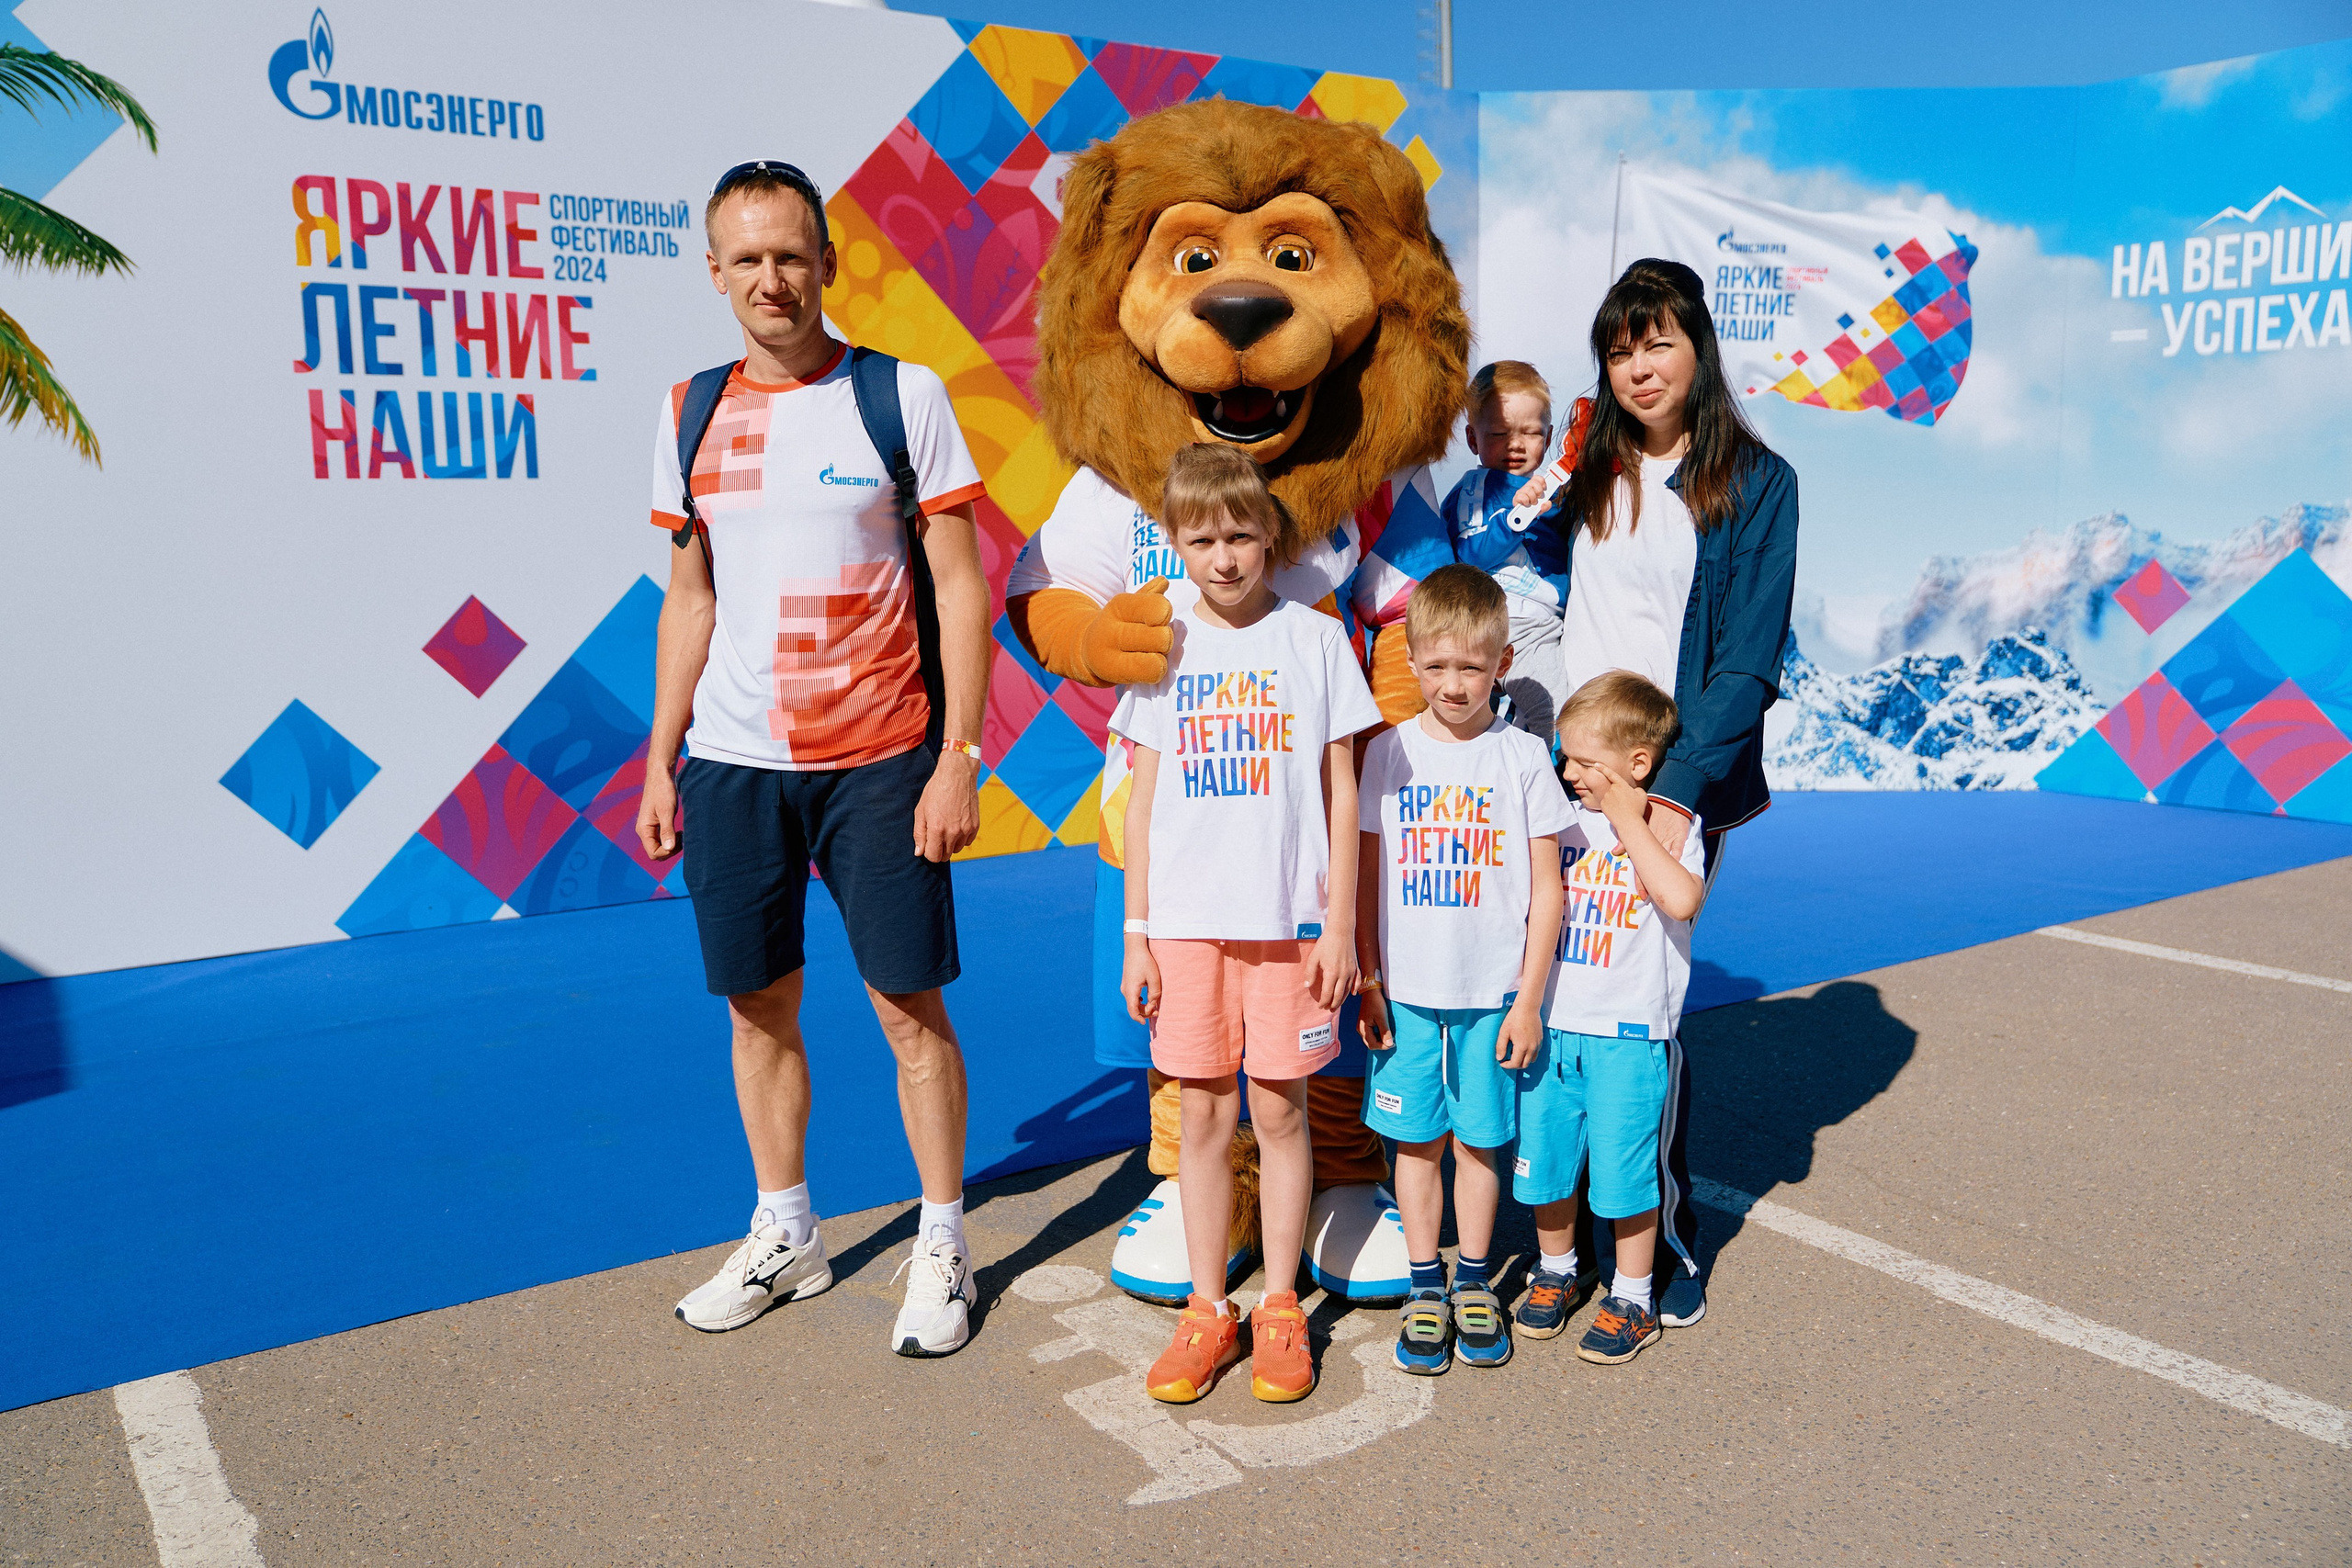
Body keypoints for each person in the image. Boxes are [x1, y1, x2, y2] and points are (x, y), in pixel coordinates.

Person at [635, 160, 994, 1357]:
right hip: (734, 765)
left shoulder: (899, 394)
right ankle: (787, 1226)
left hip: (882, 757)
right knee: (757, 1006)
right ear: (714, 270)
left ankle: (944, 1238)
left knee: (906, 1008)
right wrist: (658, 760)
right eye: (746, 258)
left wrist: (959, 755)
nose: (770, 278)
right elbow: (687, 601)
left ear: (829, 260)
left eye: (790, 253)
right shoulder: (689, 408)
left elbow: (957, 581)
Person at [1513, 259, 1799, 1328]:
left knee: (1638, 1015)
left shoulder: (1759, 484)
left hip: (1664, 776)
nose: (1640, 367)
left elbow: (1749, 661)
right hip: (1562, 770)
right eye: (1620, 348)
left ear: (1698, 349)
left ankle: (1655, 1248)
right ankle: (1557, 1240)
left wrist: (1669, 794)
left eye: (1658, 342)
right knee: (1556, 985)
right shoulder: (1590, 465)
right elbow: (1515, 559)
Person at [1114, 444, 1385, 1404]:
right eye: (1202, 540)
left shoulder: (1314, 642)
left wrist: (1341, 926)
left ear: (1271, 536)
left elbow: (1342, 791)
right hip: (1185, 929)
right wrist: (1136, 933)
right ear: (1175, 544)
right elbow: (1140, 804)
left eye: (1239, 535)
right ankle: (1205, 1308)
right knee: (1202, 1114)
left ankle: (1277, 1306)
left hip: (1287, 927)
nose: (1223, 557)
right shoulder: (1164, 644)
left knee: (1279, 1109)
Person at [1353, 565, 1568, 1375]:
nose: (1454, 683)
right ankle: (1423, 1282)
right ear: (1410, 660)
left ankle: (1474, 1280)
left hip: (1493, 998)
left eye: (1472, 667)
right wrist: (1369, 980)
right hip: (1405, 996)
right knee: (1415, 1143)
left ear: (1503, 664)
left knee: (1479, 1143)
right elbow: (1366, 882)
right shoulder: (1386, 754)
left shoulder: (1521, 759)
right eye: (1437, 665)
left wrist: (1530, 998)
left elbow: (1548, 891)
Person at [1513, 671, 1707, 1364]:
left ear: (1638, 766)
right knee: (1548, 1167)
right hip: (1555, 1030)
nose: (1568, 773)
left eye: (1584, 763)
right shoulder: (1560, 816)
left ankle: (1633, 1292)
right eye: (1565, 758)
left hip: (1628, 1037)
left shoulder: (1669, 826)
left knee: (1627, 1177)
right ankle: (1558, 1268)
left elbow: (1682, 900)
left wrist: (1629, 818)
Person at [1435, 362, 1583, 738]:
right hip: (1508, 623)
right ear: (1473, 439)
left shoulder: (1555, 488)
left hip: (1556, 626)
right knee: (1555, 717)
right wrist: (1514, 517)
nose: (1515, 444)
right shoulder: (1474, 489)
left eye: (1531, 433)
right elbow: (1468, 557)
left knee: (1528, 726)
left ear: (1548, 439)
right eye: (1499, 433)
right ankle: (1556, 785)